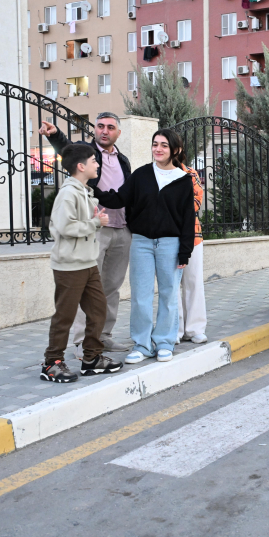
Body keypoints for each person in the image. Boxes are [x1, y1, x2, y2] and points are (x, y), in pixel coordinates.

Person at [95, 129, 196, 364]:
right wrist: (93, 189)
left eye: (163, 145)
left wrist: (185, 250)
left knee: (169, 295)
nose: (158, 149)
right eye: (155, 144)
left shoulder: (183, 180)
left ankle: (164, 342)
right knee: (141, 295)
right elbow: (119, 199)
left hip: (171, 244)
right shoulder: (141, 175)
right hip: (140, 242)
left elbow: (188, 218)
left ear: (175, 150)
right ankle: (142, 344)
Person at [38, 113, 132, 358]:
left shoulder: (122, 160)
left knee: (110, 288)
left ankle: (102, 337)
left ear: (118, 133)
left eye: (110, 127)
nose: (104, 131)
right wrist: (55, 135)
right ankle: (82, 342)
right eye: (100, 126)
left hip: (122, 228)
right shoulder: (88, 154)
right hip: (95, 230)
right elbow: (70, 152)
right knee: (86, 289)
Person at [177, 163, 208, 344]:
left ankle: (195, 328)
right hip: (166, 237)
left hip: (193, 235)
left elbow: (196, 202)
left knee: (193, 281)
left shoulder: (190, 173)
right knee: (171, 286)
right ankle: (175, 330)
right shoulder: (154, 172)